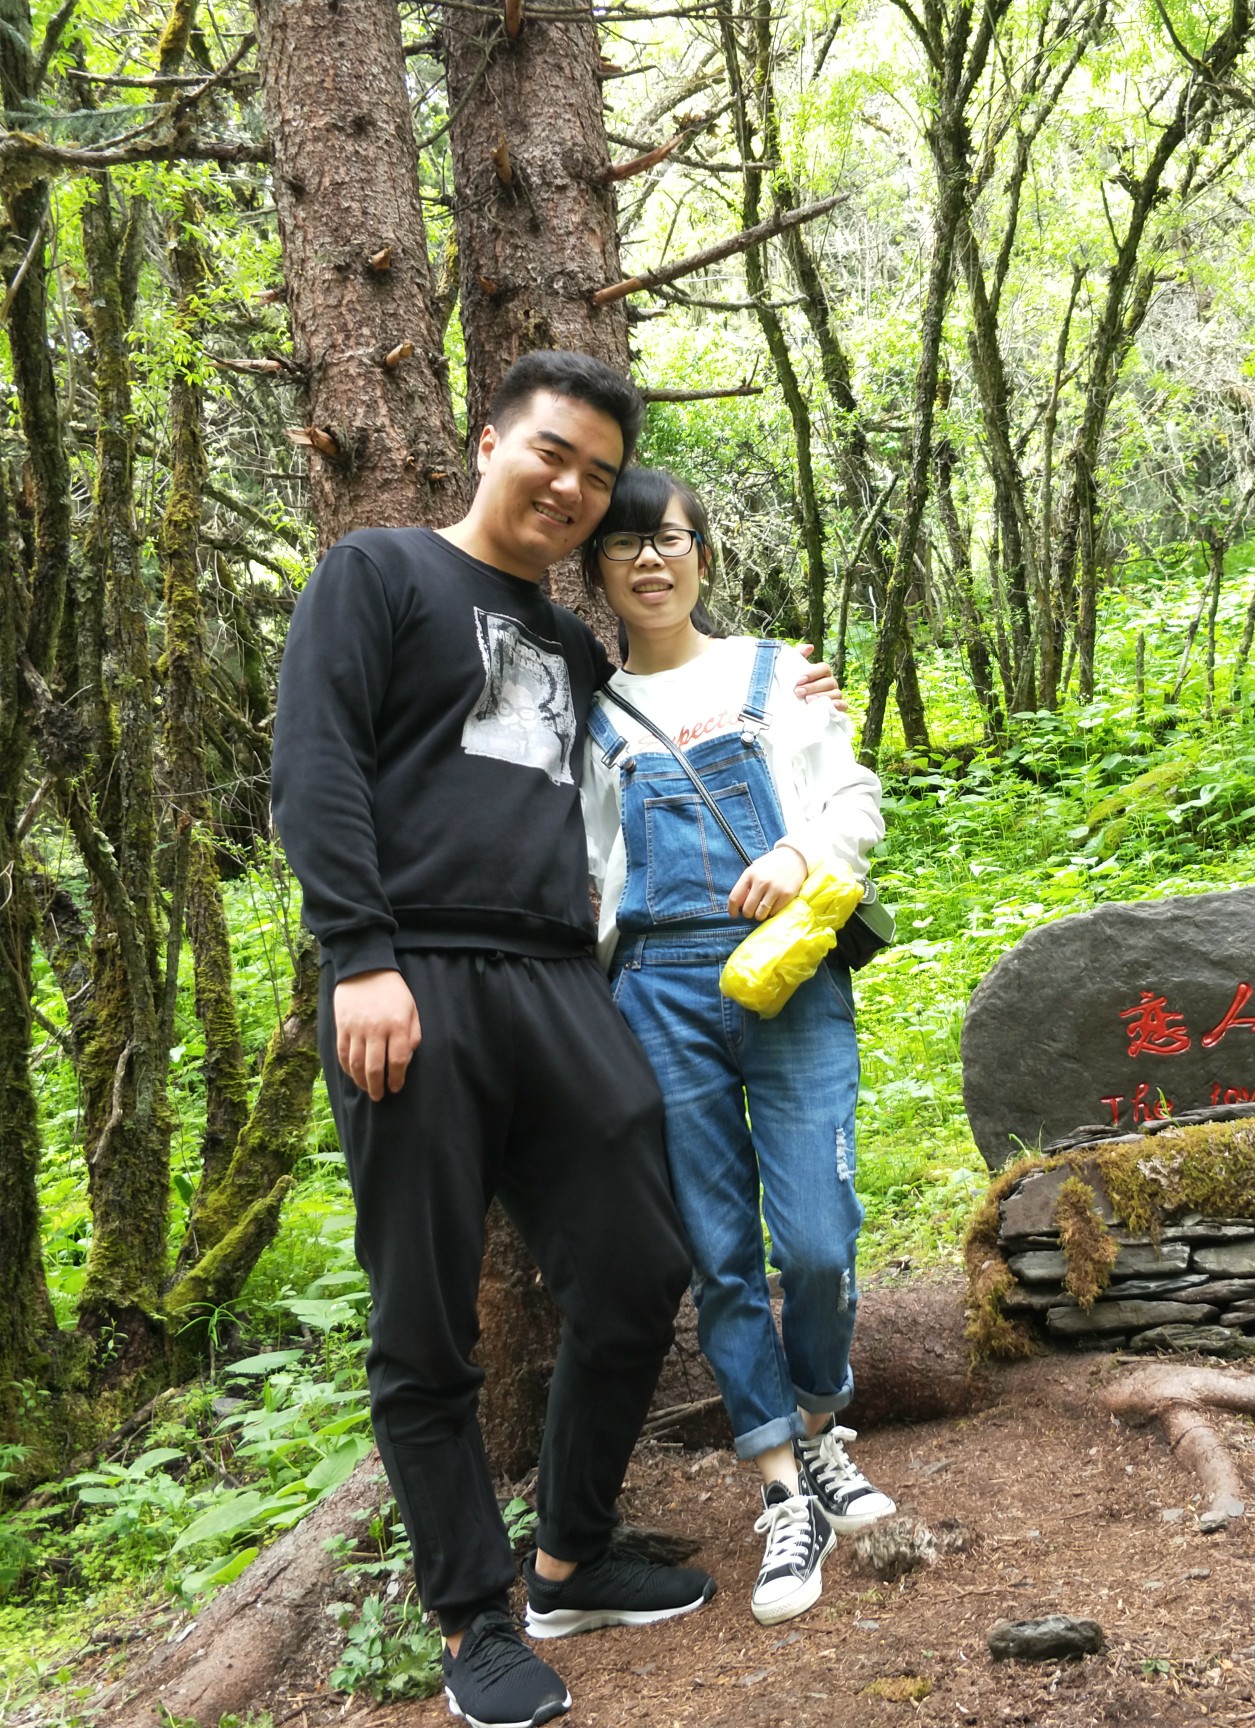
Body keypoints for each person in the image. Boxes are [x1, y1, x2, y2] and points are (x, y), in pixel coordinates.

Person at [272, 352, 838, 1728]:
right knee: (425, 1316)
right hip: (414, 975)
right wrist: (361, 954)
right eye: (551, 453)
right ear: (488, 443)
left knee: (641, 1269)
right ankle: (474, 1624)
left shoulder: (575, 648)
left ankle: (570, 1558)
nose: (572, 486)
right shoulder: (381, 575)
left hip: (559, 984)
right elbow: (317, 758)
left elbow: (684, 704)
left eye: (596, 472)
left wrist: (791, 695)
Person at [581, 468, 896, 1629]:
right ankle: (782, 1488)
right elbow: (591, 871)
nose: (650, 562)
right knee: (719, 1252)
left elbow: (855, 801)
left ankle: (819, 1422)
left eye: (667, 540)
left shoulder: (775, 673)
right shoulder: (597, 712)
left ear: (703, 554)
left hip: (793, 978)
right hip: (660, 991)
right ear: (600, 571)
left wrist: (804, 855)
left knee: (818, 1238)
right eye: (624, 548)